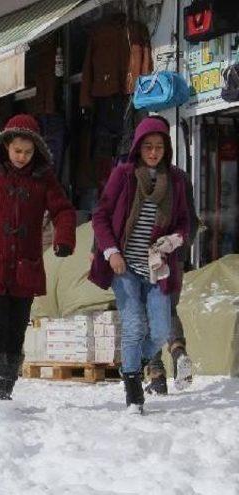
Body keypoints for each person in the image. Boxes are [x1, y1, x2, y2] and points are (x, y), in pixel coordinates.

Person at [0, 114, 76, 400]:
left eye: (28, 151)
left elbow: (64, 211)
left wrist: (64, 238)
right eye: (17, 151)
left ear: (36, 149)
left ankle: (6, 387)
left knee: (15, 333)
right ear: (6, 146)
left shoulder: (44, 177)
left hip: (26, 269)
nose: (22, 157)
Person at [90, 117, 190, 413]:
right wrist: (111, 252)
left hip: (158, 267)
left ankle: (132, 365)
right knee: (134, 327)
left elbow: (184, 221)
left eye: (159, 147)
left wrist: (174, 240)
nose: (154, 152)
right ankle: (134, 391)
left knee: (159, 332)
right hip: (126, 268)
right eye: (148, 146)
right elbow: (100, 216)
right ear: (138, 147)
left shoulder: (176, 180)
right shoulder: (124, 175)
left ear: (167, 149)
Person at [143, 116, 198, 395]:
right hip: (173, 255)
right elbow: (191, 222)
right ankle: (178, 354)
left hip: (144, 255)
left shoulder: (135, 176)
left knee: (146, 312)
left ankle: (156, 375)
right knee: (168, 309)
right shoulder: (182, 178)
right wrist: (180, 249)